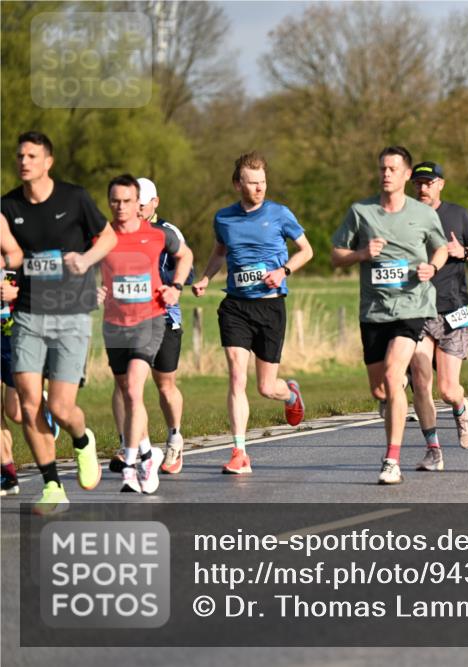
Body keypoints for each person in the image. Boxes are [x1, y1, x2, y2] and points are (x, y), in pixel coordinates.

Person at [1, 131, 117, 515]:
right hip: (30, 315)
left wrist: (85, 260)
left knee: (64, 410)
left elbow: (108, 238)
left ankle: (83, 440)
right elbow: (14, 254)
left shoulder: (74, 198)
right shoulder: (8, 206)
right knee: (30, 401)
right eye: (20, 156)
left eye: (32, 156)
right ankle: (53, 485)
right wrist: (7, 268)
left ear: (47, 161)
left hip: (71, 315)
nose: (24, 162)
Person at [332, 146, 448, 484]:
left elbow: (440, 247)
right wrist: (361, 254)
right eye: (382, 168)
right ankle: (395, 402)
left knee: (396, 374)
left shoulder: (424, 215)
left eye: (393, 169)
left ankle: (391, 460)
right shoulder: (361, 212)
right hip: (374, 310)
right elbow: (336, 256)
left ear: (406, 174)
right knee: (381, 390)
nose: (386, 174)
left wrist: (432, 266)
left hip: (412, 307)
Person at [192, 151, 312, 474]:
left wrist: (284, 271)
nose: (259, 188)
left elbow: (307, 251)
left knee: (265, 387)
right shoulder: (224, 218)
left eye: (262, 182)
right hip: (236, 306)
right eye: (252, 182)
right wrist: (205, 277)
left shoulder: (280, 213)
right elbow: (220, 252)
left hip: (270, 305)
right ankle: (239, 452)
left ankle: (290, 395)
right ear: (237, 184)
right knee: (235, 374)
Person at [101, 174, 192, 494]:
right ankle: (143, 450)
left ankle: (159, 446)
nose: (128, 208)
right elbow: (88, 266)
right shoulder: (104, 235)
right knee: (126, 390)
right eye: (119, 201)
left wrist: (175, 287)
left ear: (150, 202)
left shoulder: (160, 233)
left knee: (155, 386)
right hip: (116, 323)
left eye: (134, 202)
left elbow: (186, 257)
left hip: (157, 318)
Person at [407, 161, 468, 471]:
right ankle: (433, 449)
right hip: (419, 311)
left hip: (452, 311)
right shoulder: (407, 217)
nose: (422, 188)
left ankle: (461, 408)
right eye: (417, 183)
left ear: (440, 184)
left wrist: (463, 252)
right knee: (419, 374)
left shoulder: (457, 214)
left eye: (428, 182)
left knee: (447, 390)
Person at [1, 218, 25, 497]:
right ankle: (7, 473)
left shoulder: (14, 242)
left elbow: (34, 280)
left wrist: (15, 291)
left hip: (12, 331)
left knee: (16, 412)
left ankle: (43, 410)